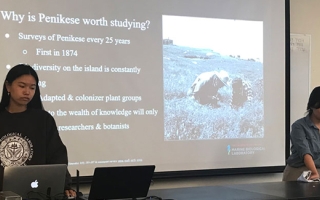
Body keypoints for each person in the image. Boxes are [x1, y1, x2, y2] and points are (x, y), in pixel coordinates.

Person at [0, 64, 76, 197]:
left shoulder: (44, 120)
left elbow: (57, 155)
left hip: (37, 193)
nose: (27, 92)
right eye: (22, 86)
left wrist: (65, 185)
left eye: (32, 87)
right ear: (8, 86)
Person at [283, 86, 320, 181]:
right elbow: (305, 153)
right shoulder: (299, 126)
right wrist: (315, 173)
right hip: (300, 172)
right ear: (312, 106)